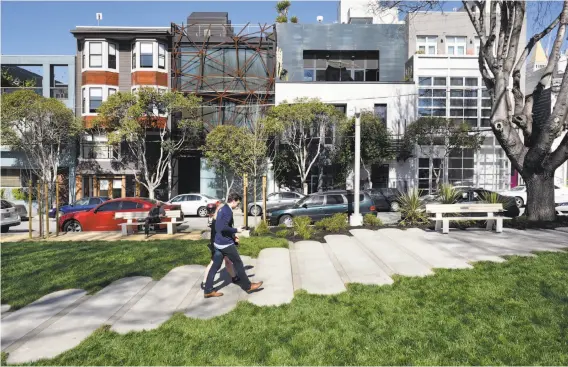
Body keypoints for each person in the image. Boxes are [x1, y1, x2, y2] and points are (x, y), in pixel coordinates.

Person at [204, 192, 263, 298]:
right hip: (225, 244)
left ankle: (208, 290)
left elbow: (218, 227)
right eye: (238, 203)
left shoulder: (222, 209)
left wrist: (233, 234)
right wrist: (236, 230)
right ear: (233, 200)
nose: (238, 205)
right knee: (238, 263)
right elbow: (222, 227)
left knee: (215, 267)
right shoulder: (227, 211)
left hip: (218, 243)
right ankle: (248, 286)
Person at [201, 201, 239, 289]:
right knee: (215, 263)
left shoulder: (217, 218)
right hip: (218, 244)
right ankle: (205, 282)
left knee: (227, 261)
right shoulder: (218, 219)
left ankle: (234, 277)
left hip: (219, 243)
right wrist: (234, 235)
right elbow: (224, 231)